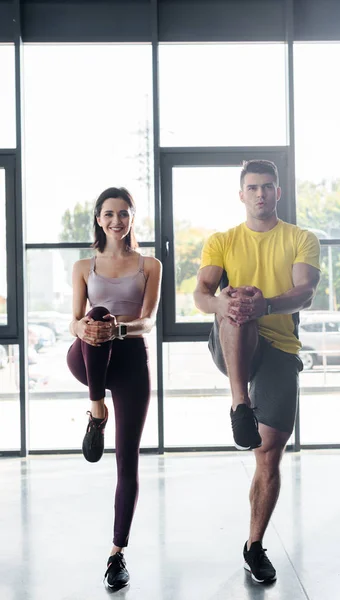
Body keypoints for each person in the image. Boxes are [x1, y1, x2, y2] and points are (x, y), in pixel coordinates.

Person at [193, 160, 320, 584]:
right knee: (236, 298)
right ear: (241, 194)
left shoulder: (301, 238)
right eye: (252, 187)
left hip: (279, 347)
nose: (260, 193)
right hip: (230, 346)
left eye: (267, 187)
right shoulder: (223, 240)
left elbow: (304, 293)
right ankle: (239, 402)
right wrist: (228, 303)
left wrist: (263, 304)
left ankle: (253, 544)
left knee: (268, 452)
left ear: (278, 193)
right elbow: (201, 295)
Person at [66, 187, 162, 590]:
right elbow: (73, 320)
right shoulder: (83, 266)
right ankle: (96, 408)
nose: (116, 220)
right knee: (96, 313)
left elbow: (149, 321)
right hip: (86, 358)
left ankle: (116, 554)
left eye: (124, 213)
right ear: (98, 218)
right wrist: (90, 326)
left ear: (132, 218)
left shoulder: (150, 264)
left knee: (127, 459)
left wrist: (117, 329)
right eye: (109, 213)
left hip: (130, 361)